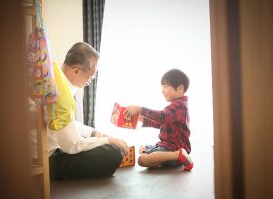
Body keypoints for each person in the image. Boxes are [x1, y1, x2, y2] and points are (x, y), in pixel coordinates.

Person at [47, 42, 128, 179]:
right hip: (48, 160)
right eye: (90, 76)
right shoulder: (62, 96)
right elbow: (73, 144)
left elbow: (67, 122)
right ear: (76, 70)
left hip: (51, 149)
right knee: (113, 153)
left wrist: (94, 132)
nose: (89, 81)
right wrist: (108, 140)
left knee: (101, 143)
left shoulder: (53, 78)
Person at [124, 69, 193, 171]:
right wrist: (141, 118)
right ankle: (160, 159)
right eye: (162, 87)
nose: (162, 90)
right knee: (143, 149)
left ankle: (177, 155)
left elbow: (162, 117)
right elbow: (161, 123)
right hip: (167, 146)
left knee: (141, 159)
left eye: (165, 86)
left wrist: (140, 109)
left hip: (173, 148)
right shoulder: (175, 106)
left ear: (180, 88)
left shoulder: (179, 106)